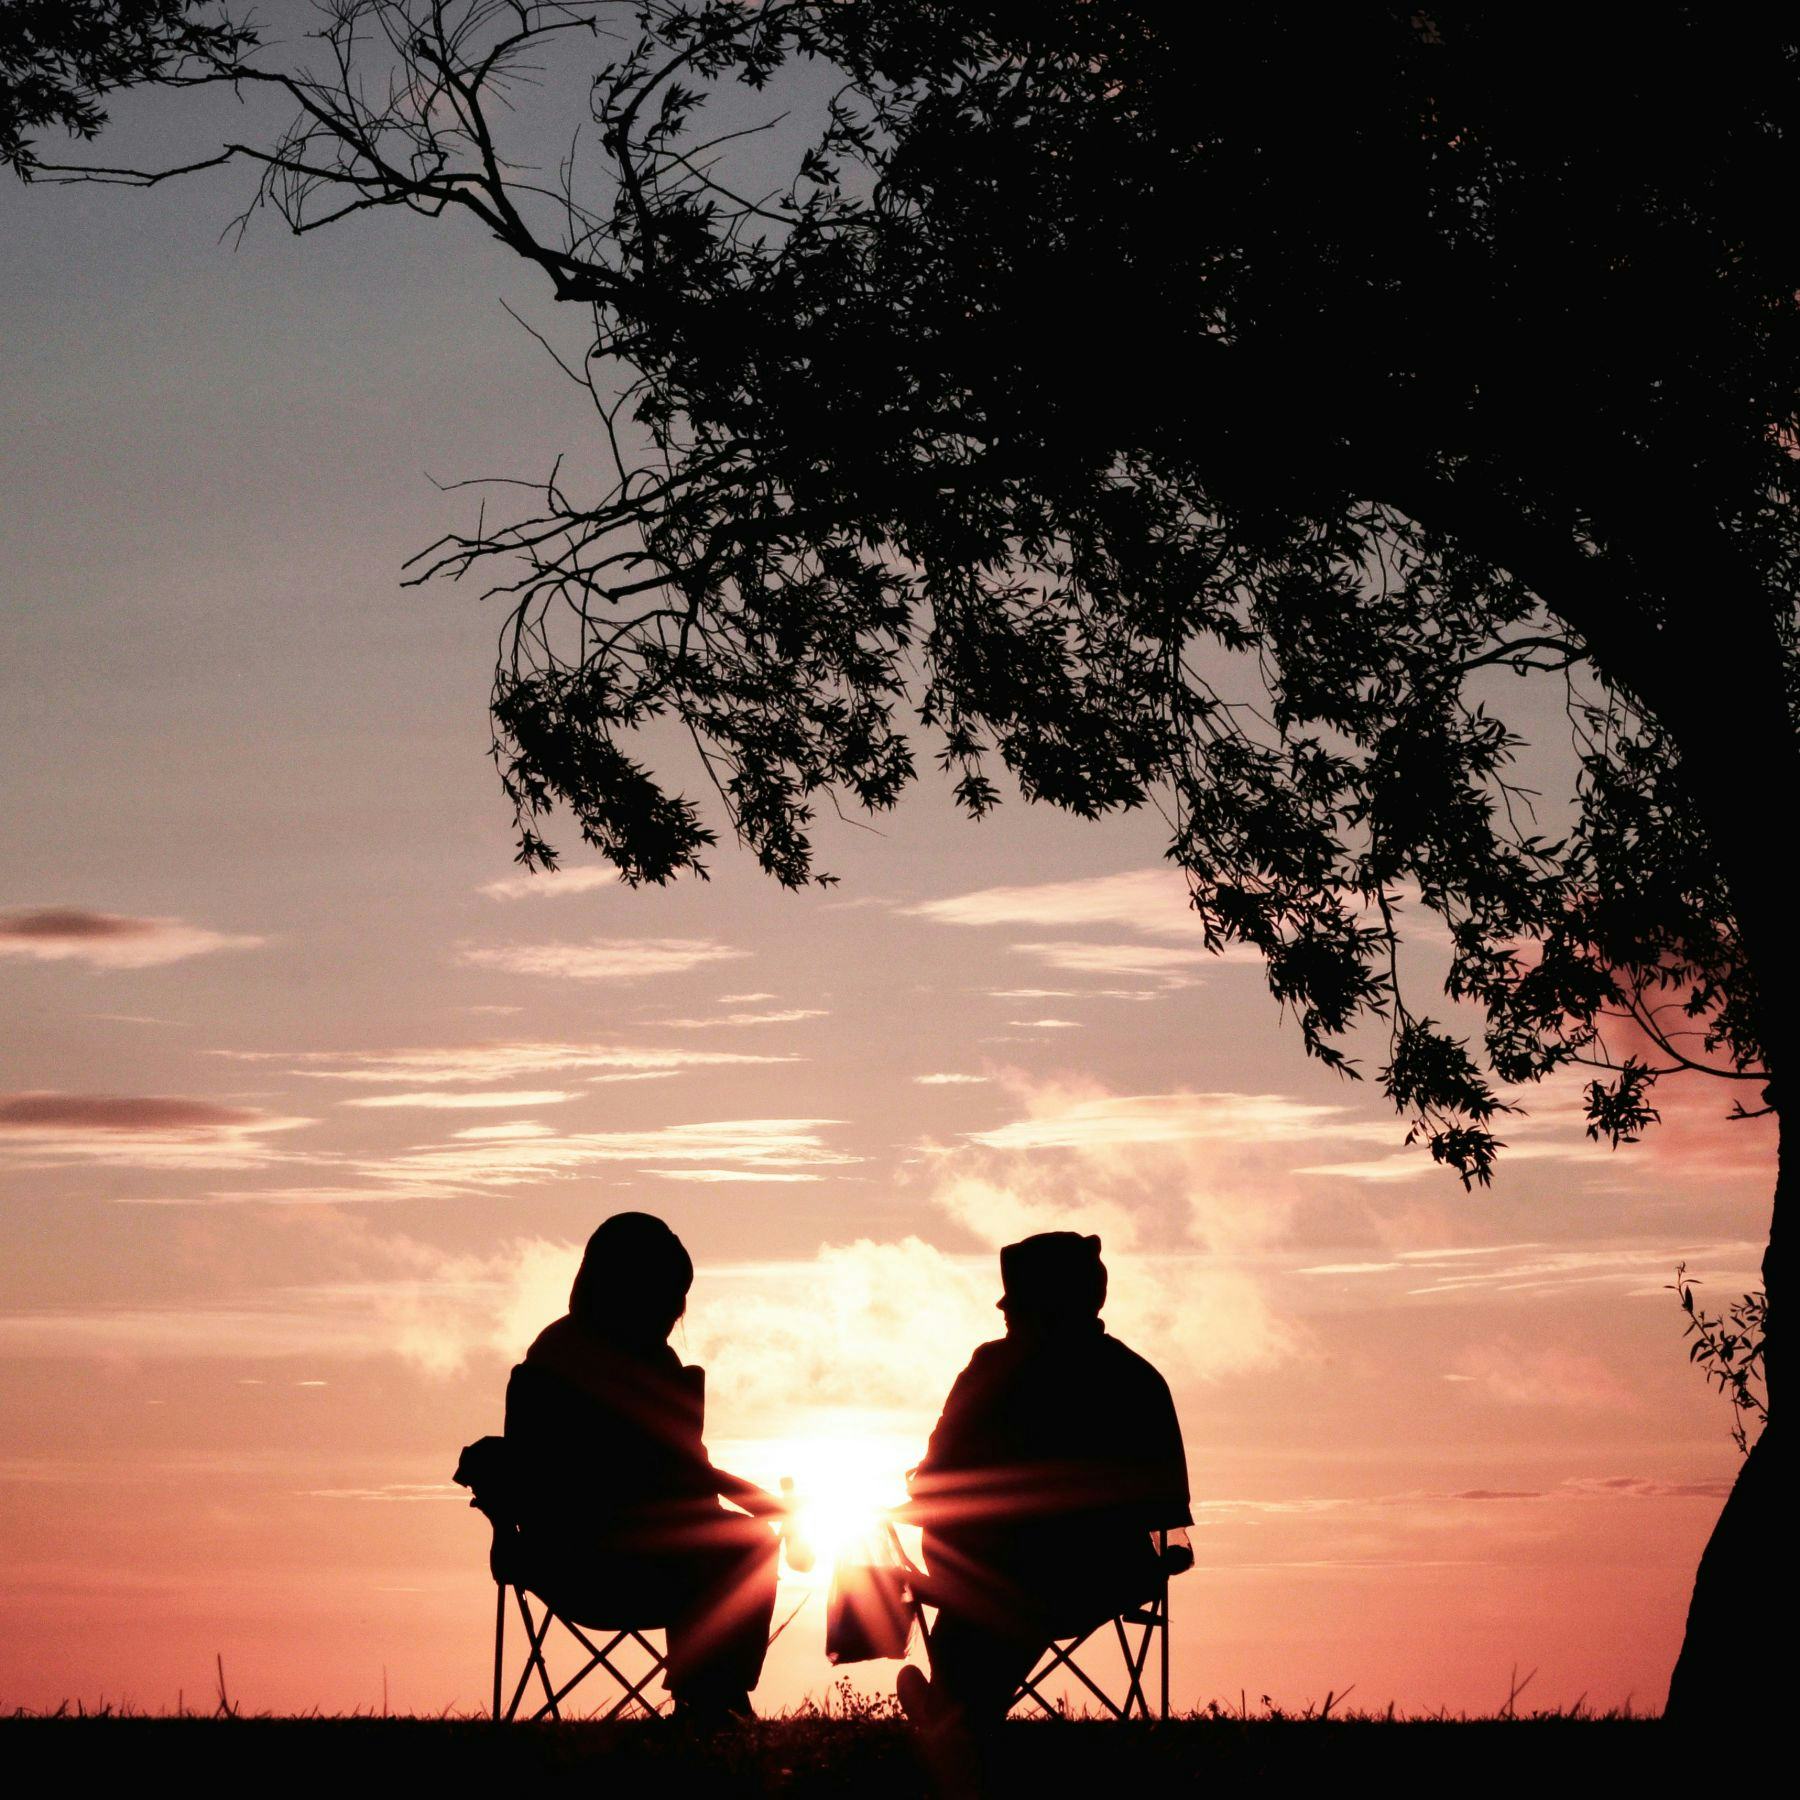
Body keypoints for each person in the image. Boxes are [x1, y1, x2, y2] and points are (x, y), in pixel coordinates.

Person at [898, 1231, 1190, 1728]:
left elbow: (933, 1478)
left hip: (1000, 1576)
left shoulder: (992, 1369)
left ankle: (955, 1708)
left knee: (993, 1584)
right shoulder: (1137, 1378)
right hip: (1106, 1577)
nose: (1004, 1314)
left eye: (1015, 1305)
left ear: (1042, 1306)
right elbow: (1169, 1510)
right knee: (1007, 1585)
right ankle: (956, 1707)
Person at [499, 1212, 782, 1725]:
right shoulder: (604, 1365)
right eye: (670, 1295)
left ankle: (711, 1695)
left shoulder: (556, 1353)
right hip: (609, 1562)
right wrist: (770, 1508)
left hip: (557, 1558)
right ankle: (712, 1697)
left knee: (735, 1542)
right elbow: (682, 1475)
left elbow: (689, 1474)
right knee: (751, 1545)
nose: (675, 1311)